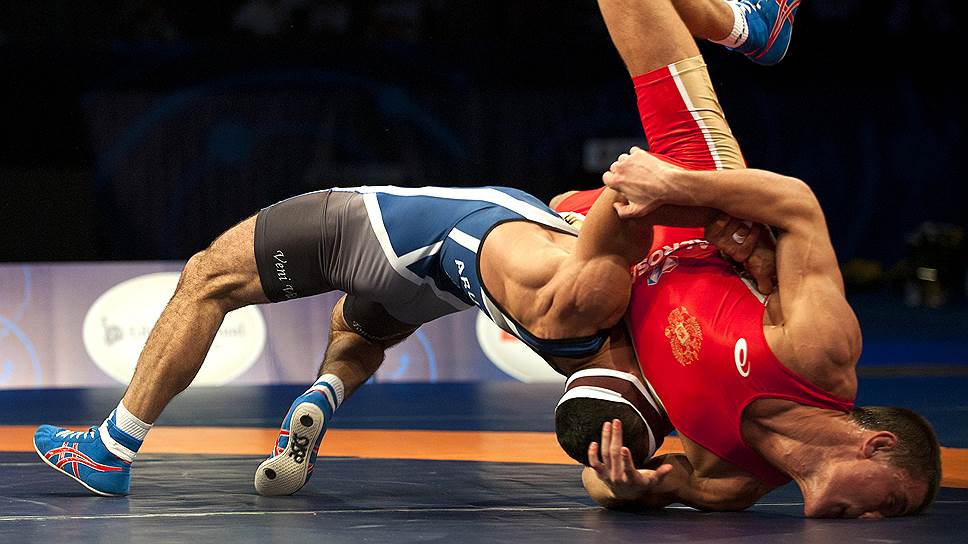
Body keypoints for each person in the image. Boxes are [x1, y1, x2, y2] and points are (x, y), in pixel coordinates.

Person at [551, 0, 941, 519]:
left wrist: (622, 488)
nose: (873, 519)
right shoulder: (819, 358)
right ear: (877, 445)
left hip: (611, 261)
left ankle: (744, 26)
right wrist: (674, 184)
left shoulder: (727, 485)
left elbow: (616, 482)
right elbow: (799, 207)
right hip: (700, 202)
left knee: (545, 214)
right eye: (889, 502)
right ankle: (747, 27)